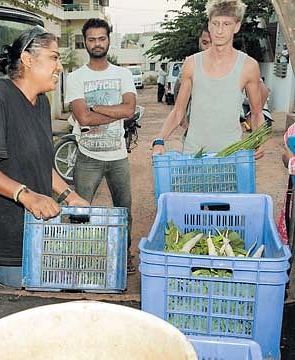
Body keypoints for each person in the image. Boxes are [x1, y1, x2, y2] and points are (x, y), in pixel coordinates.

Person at [0, 25, 89, 285]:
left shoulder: (41, 102)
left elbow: (40, 163)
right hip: (10, 238)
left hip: (39, 229)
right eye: (54, 57)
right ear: (27, 59)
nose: (59, 66)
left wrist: (70, 195)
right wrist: (25, 195)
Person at [65, 18, 137, 270]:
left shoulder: (123, 74)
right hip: (87, 157)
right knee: (78, 212)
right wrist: (114, 111)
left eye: (102, 38)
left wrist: (96, 107)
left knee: (124, 210)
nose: (97, 44)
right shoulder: (75, 77)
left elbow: (130, 110)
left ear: (109, 40)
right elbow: (82, 118)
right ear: (84, 42)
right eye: (92, 39)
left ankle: (124, 256)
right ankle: (77, 258)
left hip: (118, 157)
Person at [151, 0, 265, 157]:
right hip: (194, 155)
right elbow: (178, 111)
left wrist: (258, 140)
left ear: (236, 26)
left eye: (226, 24)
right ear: (209, 25)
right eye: (215, 23)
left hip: (230, 156)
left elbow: (257, 112)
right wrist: (159, 140)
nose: (219, 30)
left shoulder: (248, 66)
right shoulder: (191, 63)